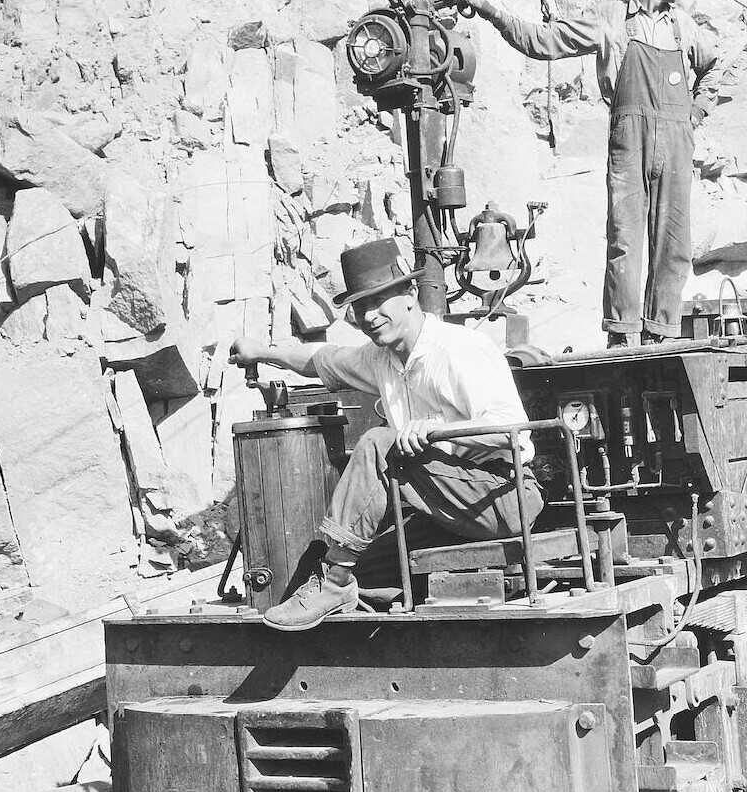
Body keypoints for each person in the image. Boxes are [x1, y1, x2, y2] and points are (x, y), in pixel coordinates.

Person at [228, 239, 543, 631]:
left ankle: (334, 584)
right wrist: (261, 352)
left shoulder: (459, 348)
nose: (369, 316)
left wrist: (437, 432)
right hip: (443, 504)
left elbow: (513, 430)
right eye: (360, 307)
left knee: (380, 442)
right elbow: (321, 359)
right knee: (355, 562)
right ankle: (356, 598)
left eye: (379, 302)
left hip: (502, 496)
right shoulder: (380, 358)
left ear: (410, 295)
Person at [454, 0, 719, 348]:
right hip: (630, 137)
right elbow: (543, 41)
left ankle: (661, 334)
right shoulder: (610, 19)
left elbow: (715, 69)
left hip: (677, 139)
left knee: (674, 241)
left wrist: (696, 112)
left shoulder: (683, 26)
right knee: (625, 239)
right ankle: (622, 334)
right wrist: (492, 12)